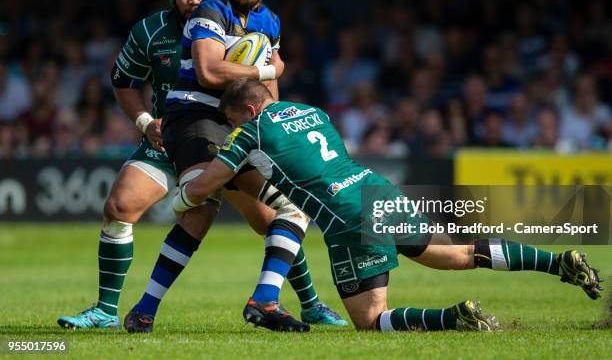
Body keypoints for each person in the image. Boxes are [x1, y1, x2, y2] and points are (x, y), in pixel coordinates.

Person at [173, 78, 603, 332]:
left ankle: (454, 318)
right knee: (455, 254)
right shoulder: (312, 111)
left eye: (231, 120)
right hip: (376, 189)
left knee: (368, 319)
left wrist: (181, 198)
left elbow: (209, 181)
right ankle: (558, 262)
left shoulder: (250, 133)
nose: (231, 128)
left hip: (345, 216)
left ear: (247, 110)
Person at [123, 0, 345, 332]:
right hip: (192, 116)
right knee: (202, 208)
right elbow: (208, 71)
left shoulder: (270, 22)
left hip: (238, 126)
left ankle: (265, 300)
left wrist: (271, 125)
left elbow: (269, 86)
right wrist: (264, 68)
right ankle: (143, 310)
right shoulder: (210, 10)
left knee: (290, 211)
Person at [56, 0, 217, 329]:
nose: (194, 0)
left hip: (218, 146)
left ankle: (307, 304)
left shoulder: (229, 29)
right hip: (167, 142)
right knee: (118, 207)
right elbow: (123, 82)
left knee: (267, 219)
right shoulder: (149, 31)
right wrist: (145, 122)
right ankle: (106, 312)